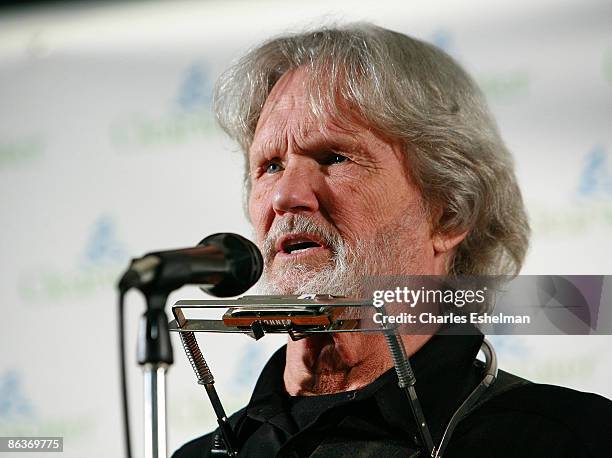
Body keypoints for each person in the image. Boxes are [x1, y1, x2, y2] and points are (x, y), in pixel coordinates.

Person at [173, 23, 612, 457]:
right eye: (270, 166)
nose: (286, 195)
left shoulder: (570, 440)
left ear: (448, 213)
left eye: (334, 157)